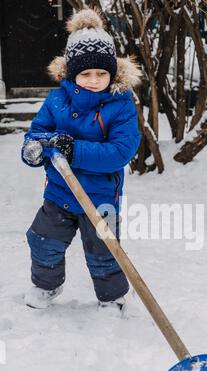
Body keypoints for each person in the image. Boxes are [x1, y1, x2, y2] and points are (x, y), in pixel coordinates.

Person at [21, 8, 142, 310]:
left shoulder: (121, 106)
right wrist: (34, 149)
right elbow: (39, 132)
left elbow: (120, 152)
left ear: (112, 73)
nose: (93, 80)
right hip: (59, 193)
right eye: (85, 74)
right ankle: (47, 287)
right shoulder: (57, 101)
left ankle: (112, 297)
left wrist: (74, 150)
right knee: (43, 241)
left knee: (105, 251)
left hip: (101, 198)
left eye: (101, 73)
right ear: (72, 73)